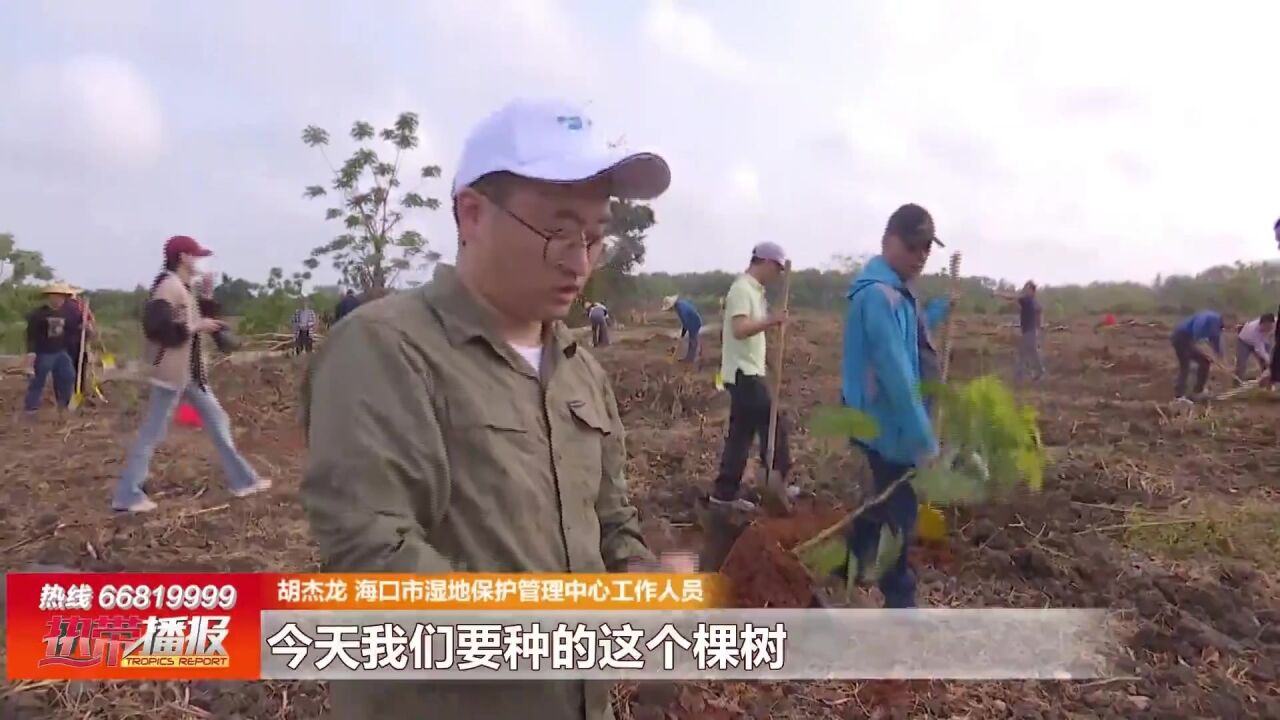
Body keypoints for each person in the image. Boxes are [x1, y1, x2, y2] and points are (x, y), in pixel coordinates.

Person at [301, 98, 689, 720]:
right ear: (472, 215)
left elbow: (611, 522)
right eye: (558, 232)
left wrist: (642, 582)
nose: (579, 261)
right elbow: (373, 554)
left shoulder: (579, 369)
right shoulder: (386, 350)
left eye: (594, 238)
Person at [112, 235, 270, 513]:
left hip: (191, 374)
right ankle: (127, 494)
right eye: (195, 256)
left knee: (219, 421)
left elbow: (193, 318)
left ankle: (243, 480)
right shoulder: (168, 286)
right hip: (172, 373)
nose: (198, 261)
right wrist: (196, 327)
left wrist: (207, 296)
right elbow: (156, 328)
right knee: (152, 433)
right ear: (183, 257)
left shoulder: (185, 287)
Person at [839, 203, 948, 609]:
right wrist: (924, 441)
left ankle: (843, 568)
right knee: (899, 518)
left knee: (883, 504)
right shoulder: (878, 297)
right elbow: (897, 375)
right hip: (887, 427)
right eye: (913, 246)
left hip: (893, 426)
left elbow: (914, 336)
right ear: (888, 240)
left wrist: (940, 309)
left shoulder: (898, 293)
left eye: (926, 249)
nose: (920, 256)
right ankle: (900, 604)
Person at [710, 241, 791, 512]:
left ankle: (724, 492)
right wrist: (772, 320)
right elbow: (740, 329)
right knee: (772, 421)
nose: (779, 274)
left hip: (750, 370)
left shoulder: (756, 293)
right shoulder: (742, 289)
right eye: (777, 268)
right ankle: (776, 478)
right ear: (764, 262)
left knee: (741, 433)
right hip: (742, 373)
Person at [23, 281, 79, 415]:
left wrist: (84, 328)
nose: (59, 299)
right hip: (43, 353)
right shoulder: (38, 314)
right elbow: (31, 335)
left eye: (62, 296)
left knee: (69, 376)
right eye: (57, 296)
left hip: (61, 352)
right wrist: (31, 355)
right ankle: (31, 409)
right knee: (38, 381)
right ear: (50, 296)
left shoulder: (66, 313)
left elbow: (72, 330)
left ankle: (64, 405)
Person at [1171, 310, 1226, 401]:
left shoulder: (1217, 328)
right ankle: (1179, 396)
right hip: (1181, 337)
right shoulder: (1210, 316)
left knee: (1205, 362)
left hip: (1190, 340)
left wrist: (1221, 359)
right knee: (1185, 365)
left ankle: (1198, 391)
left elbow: (1217, 343)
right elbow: (1197, 328)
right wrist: (1204, 350)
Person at [995, 281, 1044, 384]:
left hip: (1028, 332)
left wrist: (999, 294)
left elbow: (1012, 297)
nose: (1025, 290)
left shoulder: (1026, 299)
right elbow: (1039, 315)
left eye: (1027, 288)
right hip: (1032, 332)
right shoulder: (1035, 302)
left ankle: (1019, 377)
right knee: (1032, 353)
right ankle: (1038, 371)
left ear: (1031, 290)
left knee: (1022, 354)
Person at [61, 291, 96, 399]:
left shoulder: (60, 306)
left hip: (62, 344)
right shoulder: (81, 306)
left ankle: (66, 394)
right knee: (79, 369)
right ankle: (78, 392)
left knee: (64, 369)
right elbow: (90, 326)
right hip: (78, 343)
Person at [1234, 313, 1274, 385]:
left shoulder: (1275, 324)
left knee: (1265, 364)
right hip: (1244, 341)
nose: (1268, 329)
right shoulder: (1254, 330)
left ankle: (1267, 382)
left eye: (1270, 327)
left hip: (1262, 340)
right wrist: (1270, 361)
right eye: (1266, 327)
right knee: (1241, 364)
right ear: (1261, 324)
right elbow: (1260, 349)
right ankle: (1237, 383)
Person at [663, 294, 703, 362]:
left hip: (695, 322)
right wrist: (682, 334)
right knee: (691, 340)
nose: (670, 310)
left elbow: (685, 322)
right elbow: (685, 322)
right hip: (692, 321)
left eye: (670, 309)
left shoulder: (680, 308)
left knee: (693, 340)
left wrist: (682, 334)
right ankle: (689, 358)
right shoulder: (680, 305)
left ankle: (691, 359)